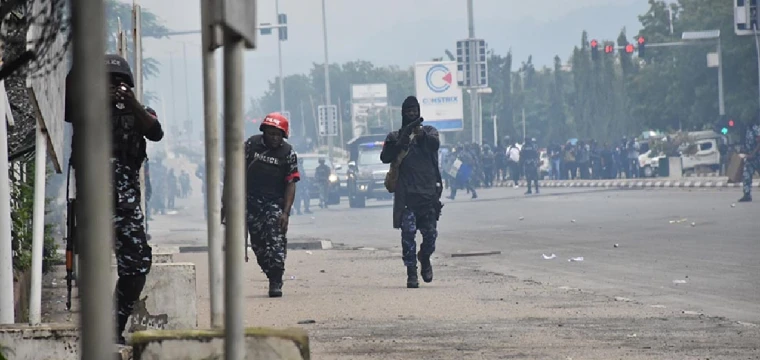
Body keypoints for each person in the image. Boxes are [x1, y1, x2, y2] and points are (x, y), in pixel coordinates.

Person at [66, 54, 164, 344]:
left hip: (125, 205)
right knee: (90, 268)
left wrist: (131, 103)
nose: (115, 87)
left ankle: (114, 324)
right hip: (92, 203)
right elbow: (70, 111)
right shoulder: (86, 110)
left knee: (136, 265)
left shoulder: (140, 112)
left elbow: (156, 132)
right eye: (109, 82)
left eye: (121, 83)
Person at [224, 112, 299, 297]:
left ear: (284, 135)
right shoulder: (251, 145)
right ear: (264, 132)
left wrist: (286, 213)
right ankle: (269, 271)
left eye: (278, 134)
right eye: (270, 133)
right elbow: (233, 173)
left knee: (275, 242)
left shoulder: (288, 153)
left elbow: (291, 184)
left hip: (275, 203)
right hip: (250, 203)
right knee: (259, 246)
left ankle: (276, 280)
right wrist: (226, 204)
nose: (274, 137)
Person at [380, 96, 443, 289]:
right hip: (406, 198)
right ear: (403, 113)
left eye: (415, 110)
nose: (412, 114)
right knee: (408, 236)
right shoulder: (395, 136)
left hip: (428, 196)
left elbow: (434, 145)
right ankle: (411, 273)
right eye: (408, 111)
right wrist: (403, 138)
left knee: (430, 237)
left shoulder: (429, 132)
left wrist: (419, 133)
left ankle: (424, 258)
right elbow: (385, 157)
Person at [739, 122, 760, 202]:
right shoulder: (747, 129)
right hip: (749, 158)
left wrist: (753, 153)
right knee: (746, 175)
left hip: (757, 157)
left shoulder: (755, 128)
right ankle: (747, 194)